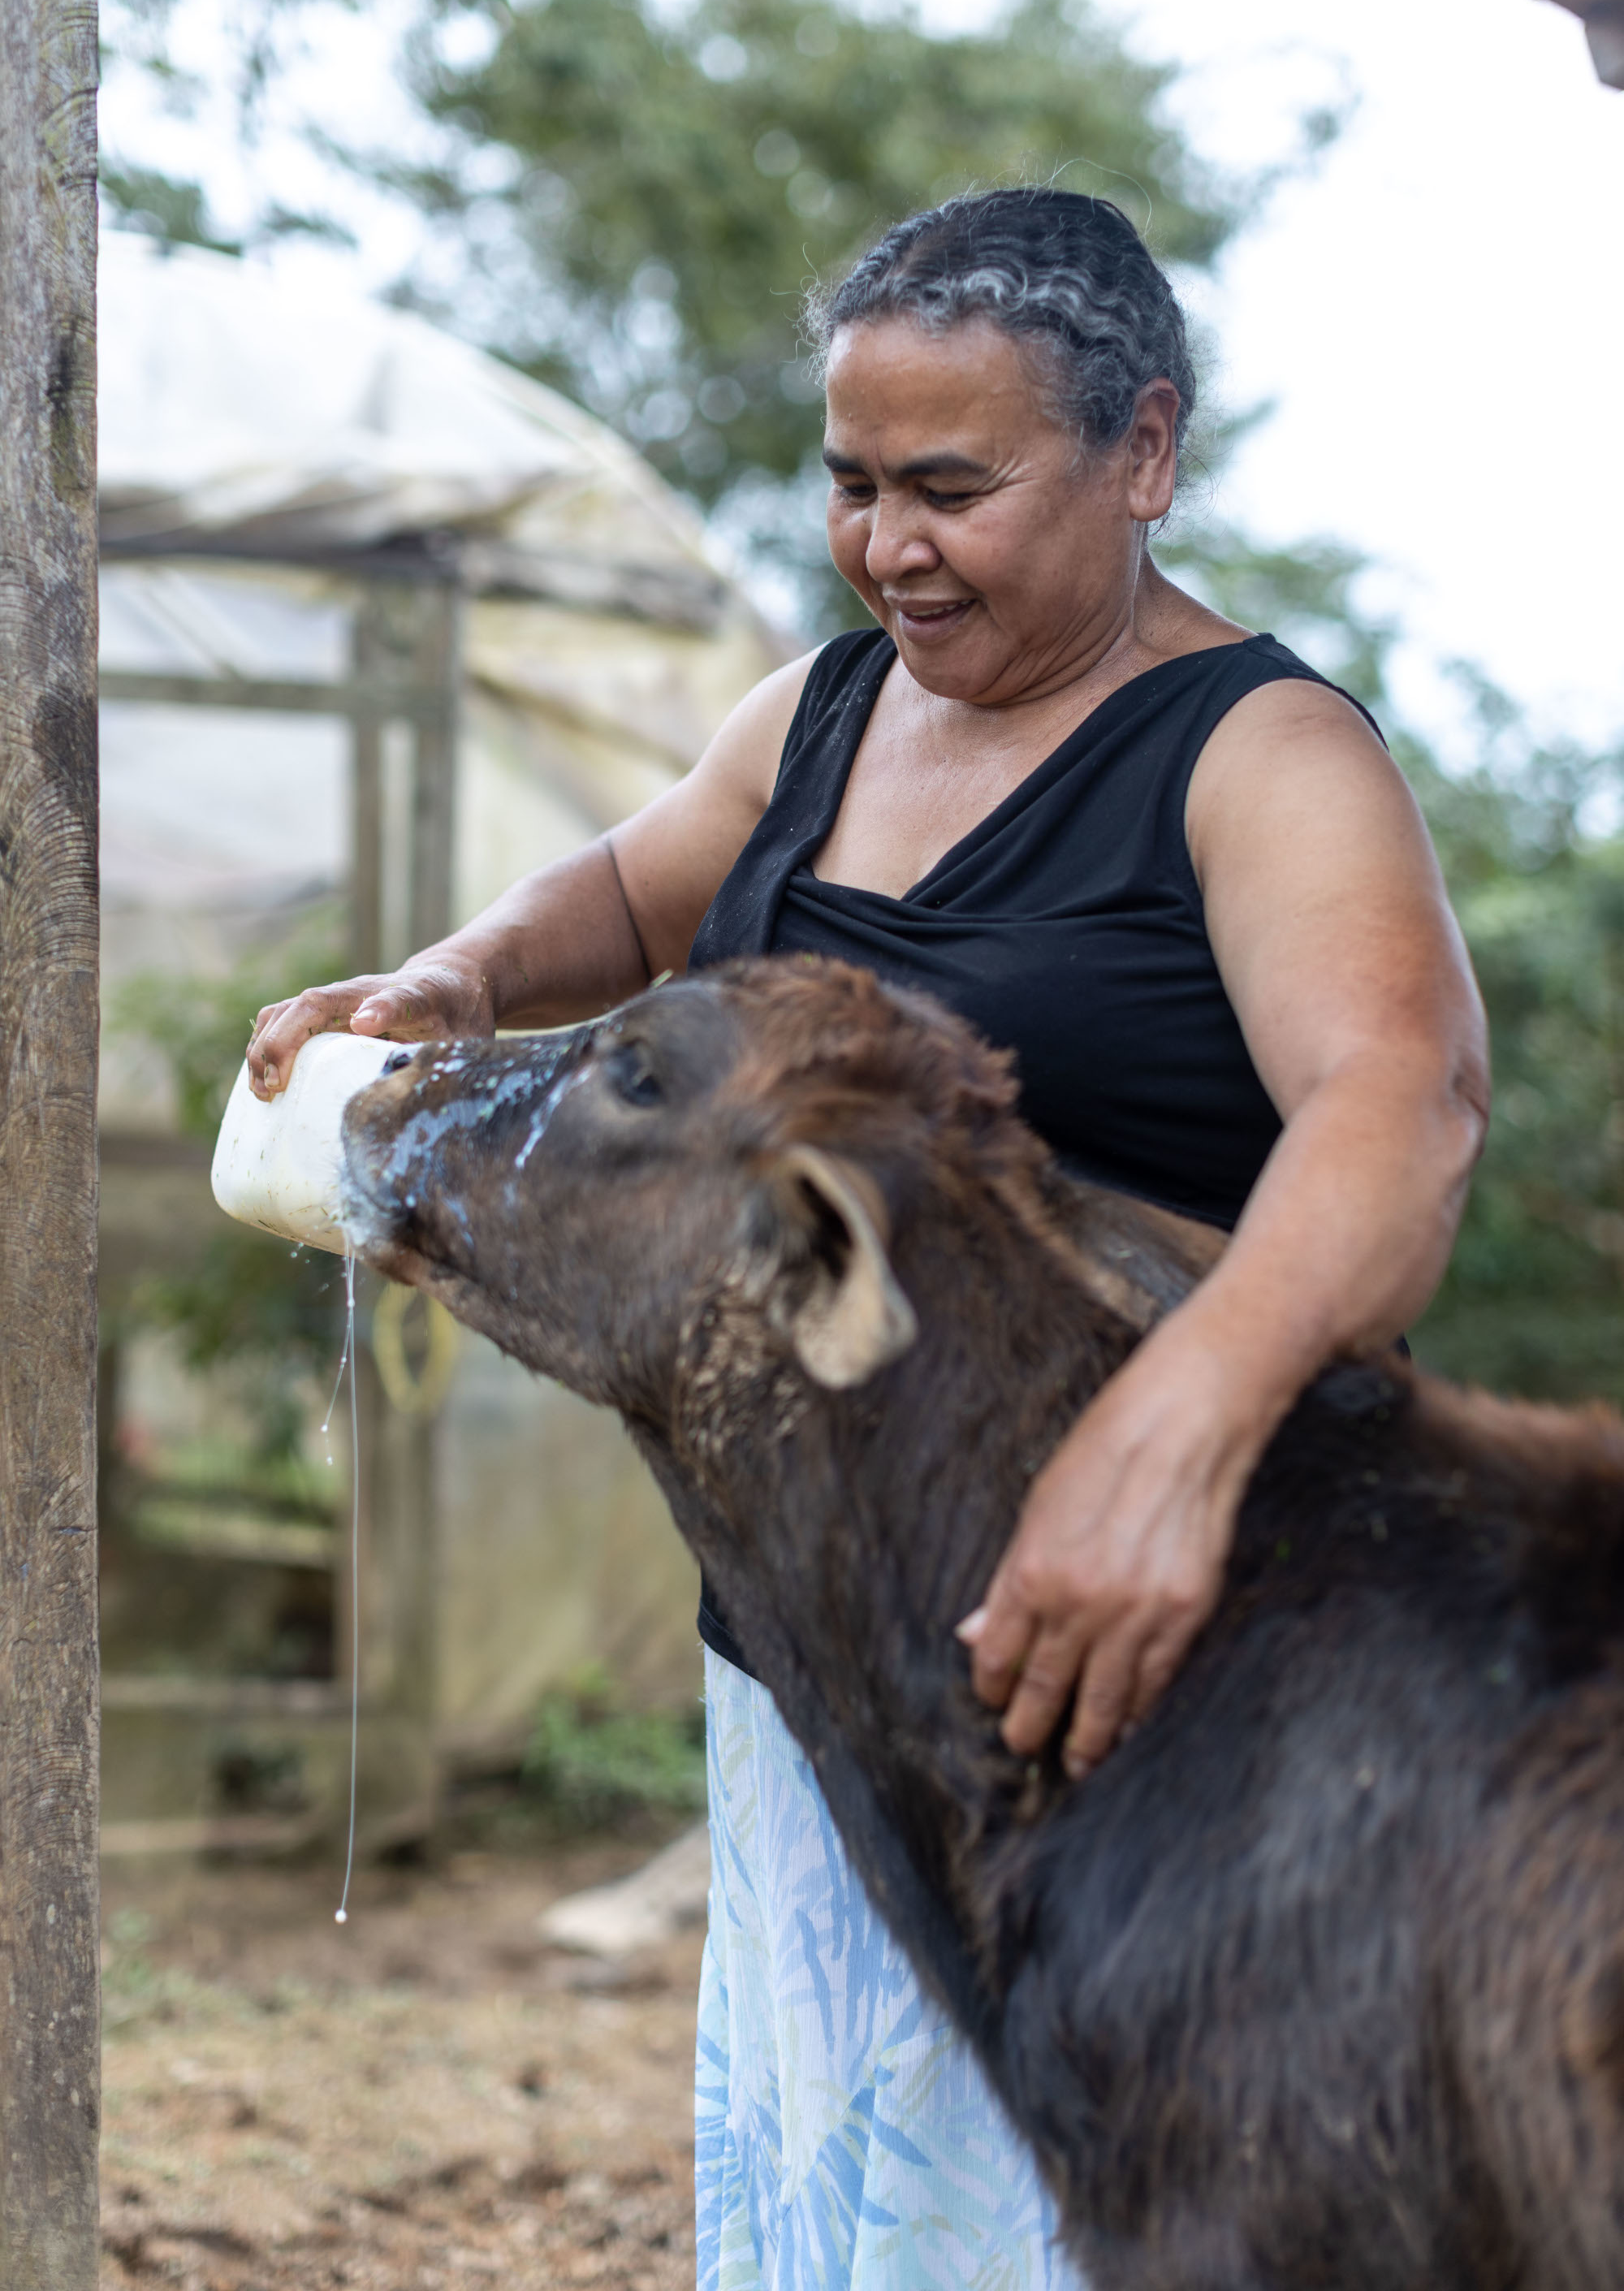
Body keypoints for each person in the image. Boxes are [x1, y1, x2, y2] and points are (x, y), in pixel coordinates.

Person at [249, 191, 1488, 2291]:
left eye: (951, 487)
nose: (890, 544)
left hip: (1142, 1672)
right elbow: (640, 896)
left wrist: (1163, 1446)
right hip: (827, 1648)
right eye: (851, 484)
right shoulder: (823, 713)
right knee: (853, 2210)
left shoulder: (1258, 759)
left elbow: (1402, 1112)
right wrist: (457, 981)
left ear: (1144, 456)